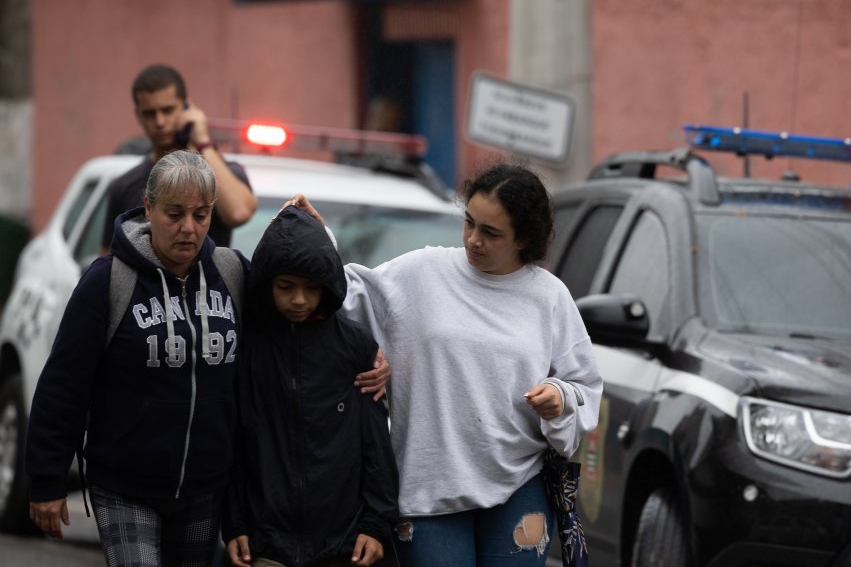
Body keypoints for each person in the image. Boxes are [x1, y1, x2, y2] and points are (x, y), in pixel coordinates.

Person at [25, 151, 390, 566]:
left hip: (205, 489)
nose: (188, 228)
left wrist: (369, 355)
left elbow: (303, 313)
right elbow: (63, 384)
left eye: (201, 215)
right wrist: (47, 479)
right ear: (148, 208)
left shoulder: (232, 274)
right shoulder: (108, 281)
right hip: (125, 485)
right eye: (174, 213)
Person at [290, 161, 603, 567]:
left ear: (524, 238)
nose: (473, 240)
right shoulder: (420, 272)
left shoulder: (550, 296)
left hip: (519, 483)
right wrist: (316, 238)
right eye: (469, 222)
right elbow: (343, 297)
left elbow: (584, 386)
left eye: (491, 233)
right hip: (427, 489)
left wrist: (559, 398)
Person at [223, 206, 399, 567]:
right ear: (266, 283)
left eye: (311, 288)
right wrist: (235, 522)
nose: (299, 300)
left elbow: (375, 443)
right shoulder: (247, 345)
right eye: (286, 287)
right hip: (265, 543)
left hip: (343, 544)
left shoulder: (353, 346)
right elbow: (234, 440)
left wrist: (377, 524)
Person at [101, 63, 258, 252]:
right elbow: (109, 260)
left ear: (186, 108)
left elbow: (238, 213)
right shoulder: (124, 185)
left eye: (167, 110)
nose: (159, 122)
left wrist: (203, 143)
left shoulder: (224, 173)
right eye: (150, 113)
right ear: (138, 116)